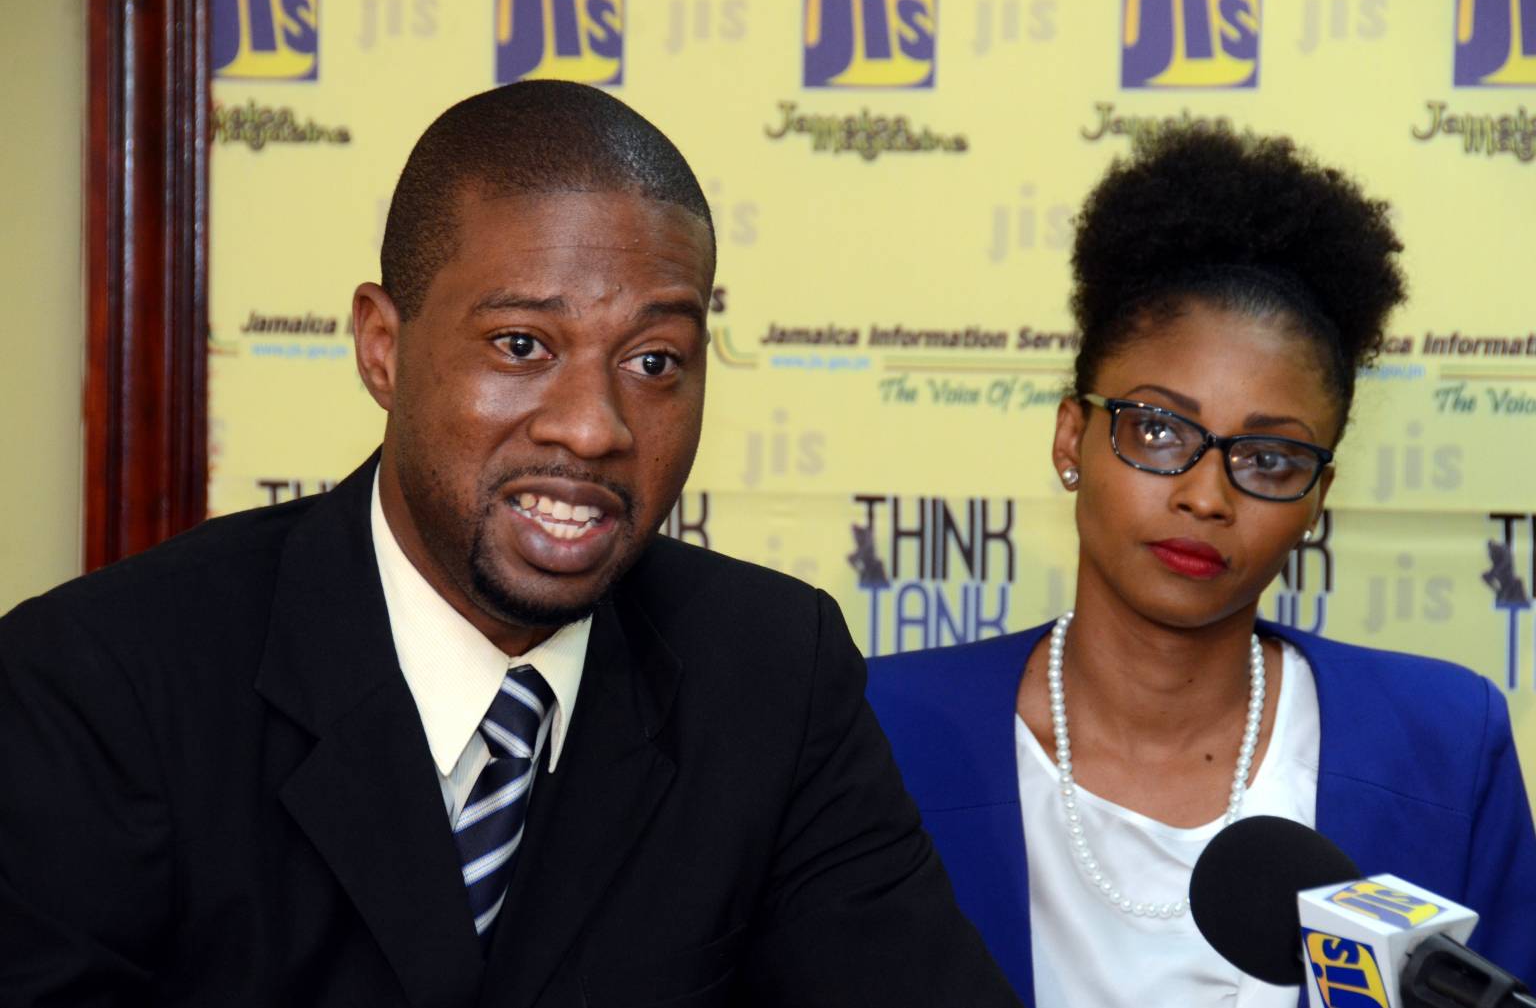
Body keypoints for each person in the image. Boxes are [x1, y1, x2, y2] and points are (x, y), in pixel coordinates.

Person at [0, 81, 1020, 1008]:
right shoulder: (104, 686)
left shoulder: (768, 672)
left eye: (656, 360)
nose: (594, 426)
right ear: (383, 348)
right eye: (522, 346)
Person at [866, 127, 1536, 1007]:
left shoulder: (1443, 746)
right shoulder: (884, 731)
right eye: (1158, 430)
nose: (1206, 494)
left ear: (1318, 495)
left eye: (1267, 457)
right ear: (1073, 436)